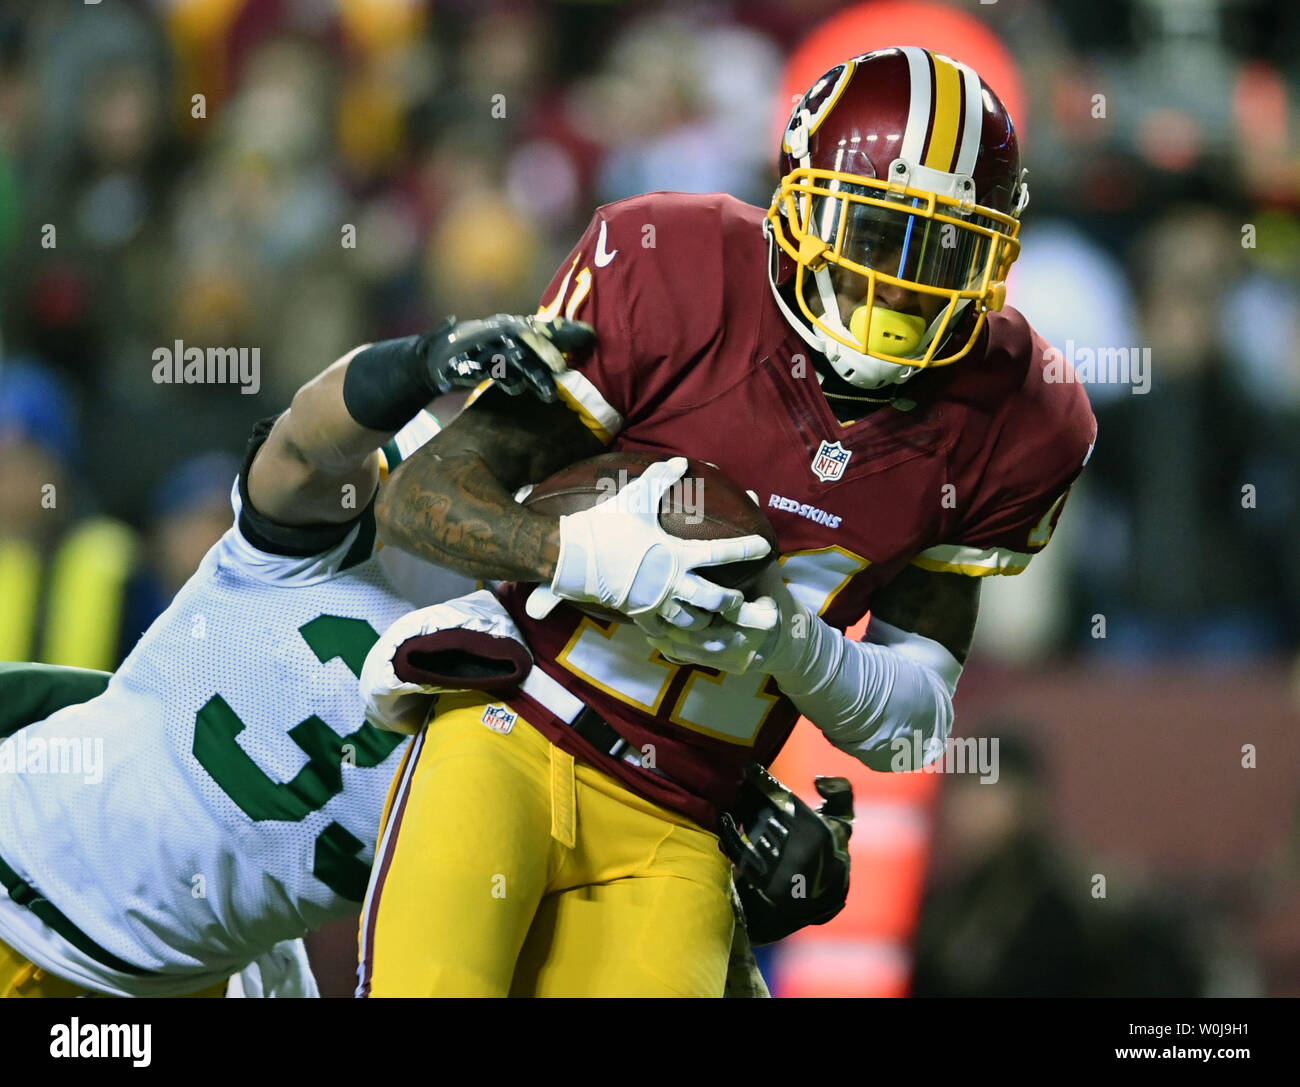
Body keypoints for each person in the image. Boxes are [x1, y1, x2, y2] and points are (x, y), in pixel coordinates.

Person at [362, 47, 1098, 997]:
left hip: (682, 809)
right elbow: (420, 496)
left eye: (944, 249)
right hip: (513, 721)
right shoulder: (680, 267)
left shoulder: (1017, 410)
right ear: (801, 201)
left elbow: (912, 721)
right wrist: (594, 559)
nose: (904, 282)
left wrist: (795, 646)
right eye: (875, 233)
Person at [0, 316, 583, 996]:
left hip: (193, 974)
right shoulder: (328, 537)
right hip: (25, 872)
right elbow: (307, 440)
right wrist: (423, 361)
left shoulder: (555, 706)